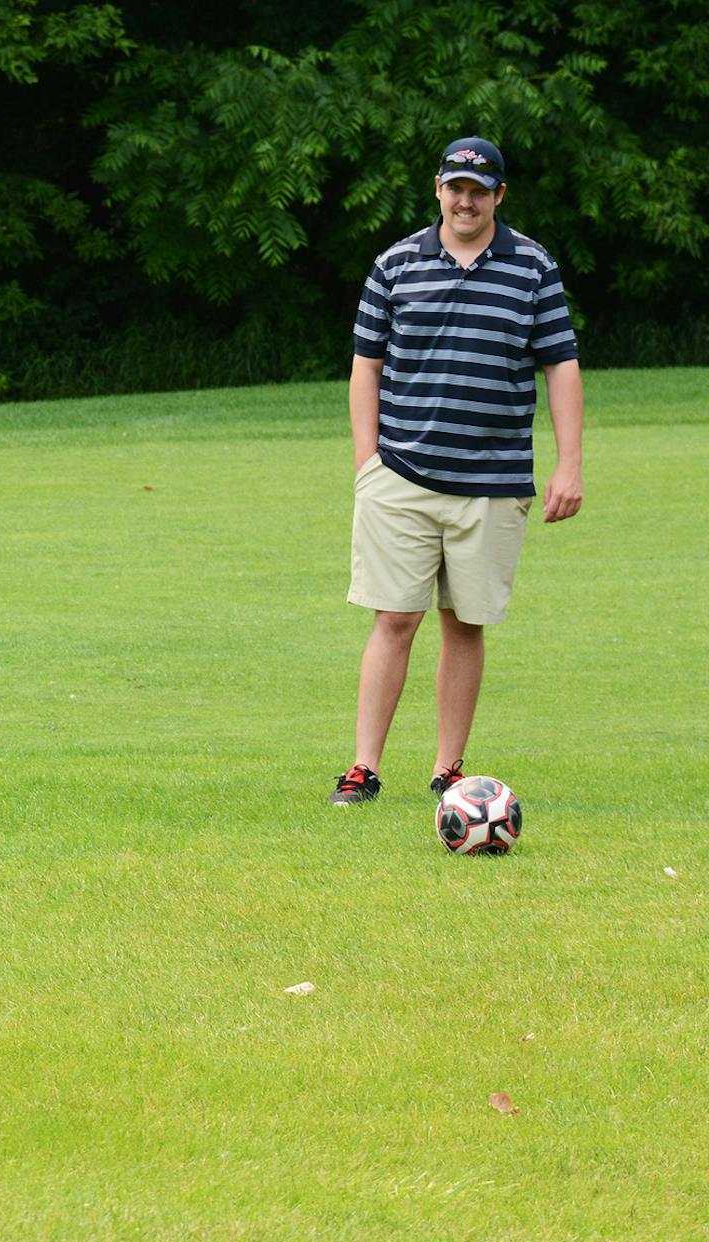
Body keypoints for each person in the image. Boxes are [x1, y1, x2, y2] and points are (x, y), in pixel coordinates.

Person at [330, 136, 583, 804]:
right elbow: (366, 365)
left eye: (479, 190)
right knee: (394, 619)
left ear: (499, 195)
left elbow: (561, 363)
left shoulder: (532, 267)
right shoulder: (396, 264)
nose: (465, 201)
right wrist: (367, 461)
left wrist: (570, 463)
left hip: (493, 481)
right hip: (402, 473)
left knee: (463, 623)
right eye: (454, 188)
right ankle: (364, 767)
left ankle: (449, 770)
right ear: (438, 190)